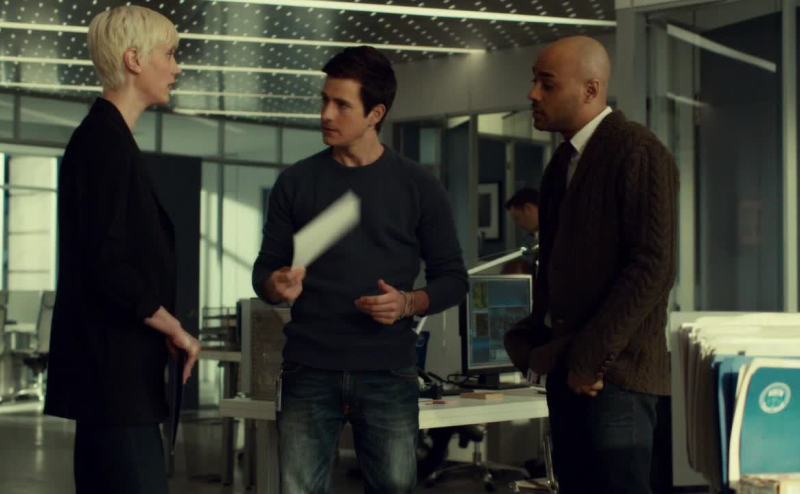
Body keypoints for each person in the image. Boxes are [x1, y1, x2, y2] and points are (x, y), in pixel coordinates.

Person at [251, 46, 467, 494]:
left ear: (376, 114)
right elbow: (264, 270)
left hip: (388, 371)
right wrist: (276, 283)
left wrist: (408, 303)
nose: (326, 114)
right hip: (309, 368)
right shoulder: (296, 183)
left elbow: (453, 278)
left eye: (342, 104)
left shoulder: (419, 186)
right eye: (324, 101)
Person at [504, 36, 678, 494]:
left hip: (616, 379)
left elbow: (653, 266)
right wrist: (532, 344)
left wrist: (589, 358)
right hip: (570, 373)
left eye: (547, 84)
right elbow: (559, 269)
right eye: (534, 81)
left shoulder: (637, 151)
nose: (533, 94)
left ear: (591, 89)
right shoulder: (562, 163)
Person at [44, 6, 201, 494]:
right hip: (114, 383)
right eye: (169, 55)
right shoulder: (103, 143)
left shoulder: (109, 140)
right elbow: (107, 263)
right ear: (134, 60)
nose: (177, 67)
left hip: (116, 380)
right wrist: (172, 326)